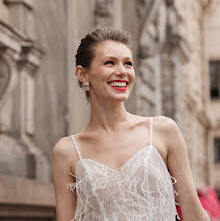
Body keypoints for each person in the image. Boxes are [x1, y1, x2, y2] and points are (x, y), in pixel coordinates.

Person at [52, 27, 210, 221]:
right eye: (110, 63)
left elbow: (194, 214)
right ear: (83, 75)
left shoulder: (163, 130)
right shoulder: (66, 151)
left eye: (128, 64)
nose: (122, 71)